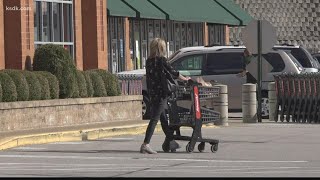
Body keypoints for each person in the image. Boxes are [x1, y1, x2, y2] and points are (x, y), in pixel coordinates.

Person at [140, 38, 191, 154]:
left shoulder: (149, 61)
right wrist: (185, 79)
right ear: (162, 48)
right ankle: (145, 144)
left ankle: (171, 142)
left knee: (163, 119)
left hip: (152, 94)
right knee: (154, 119)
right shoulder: (162, 60)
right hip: (162, 93)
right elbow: (173, 72)